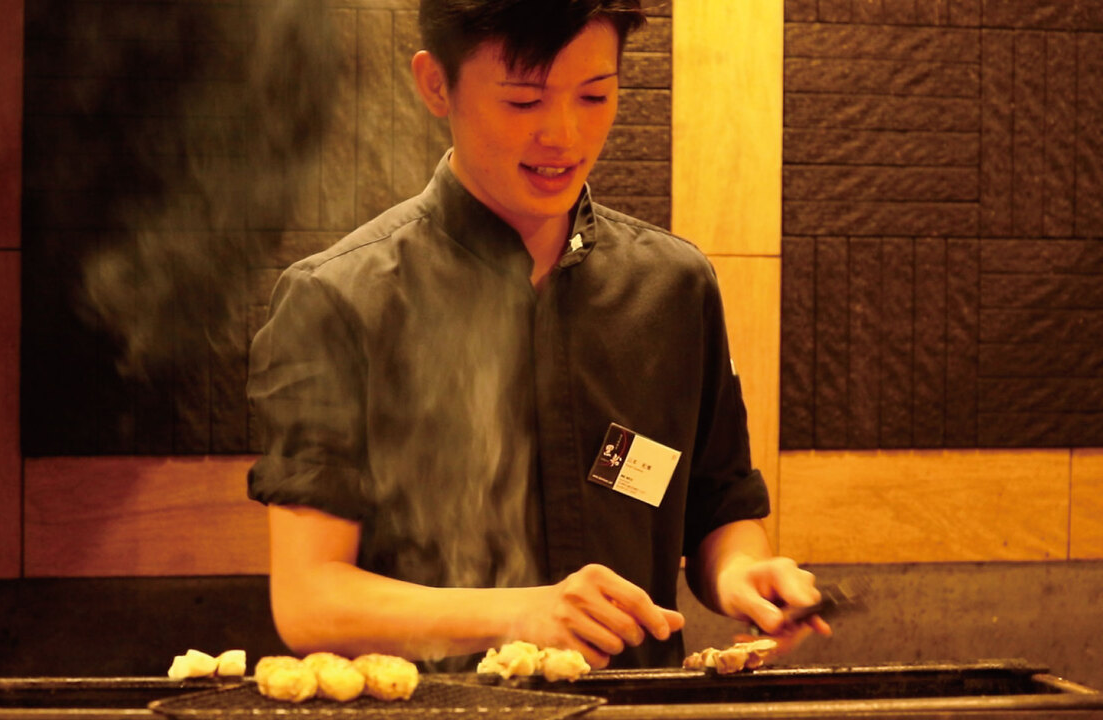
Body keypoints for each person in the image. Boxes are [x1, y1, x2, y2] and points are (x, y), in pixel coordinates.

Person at [247, 0, 829, 670]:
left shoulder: (674, 287)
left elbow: (717, 508)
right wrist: (521, 613)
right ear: (437, 84)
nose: (564, 134)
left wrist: (740, 575)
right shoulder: (338, 300)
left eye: (594, 95)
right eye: (523, 101)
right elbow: (311, 602)